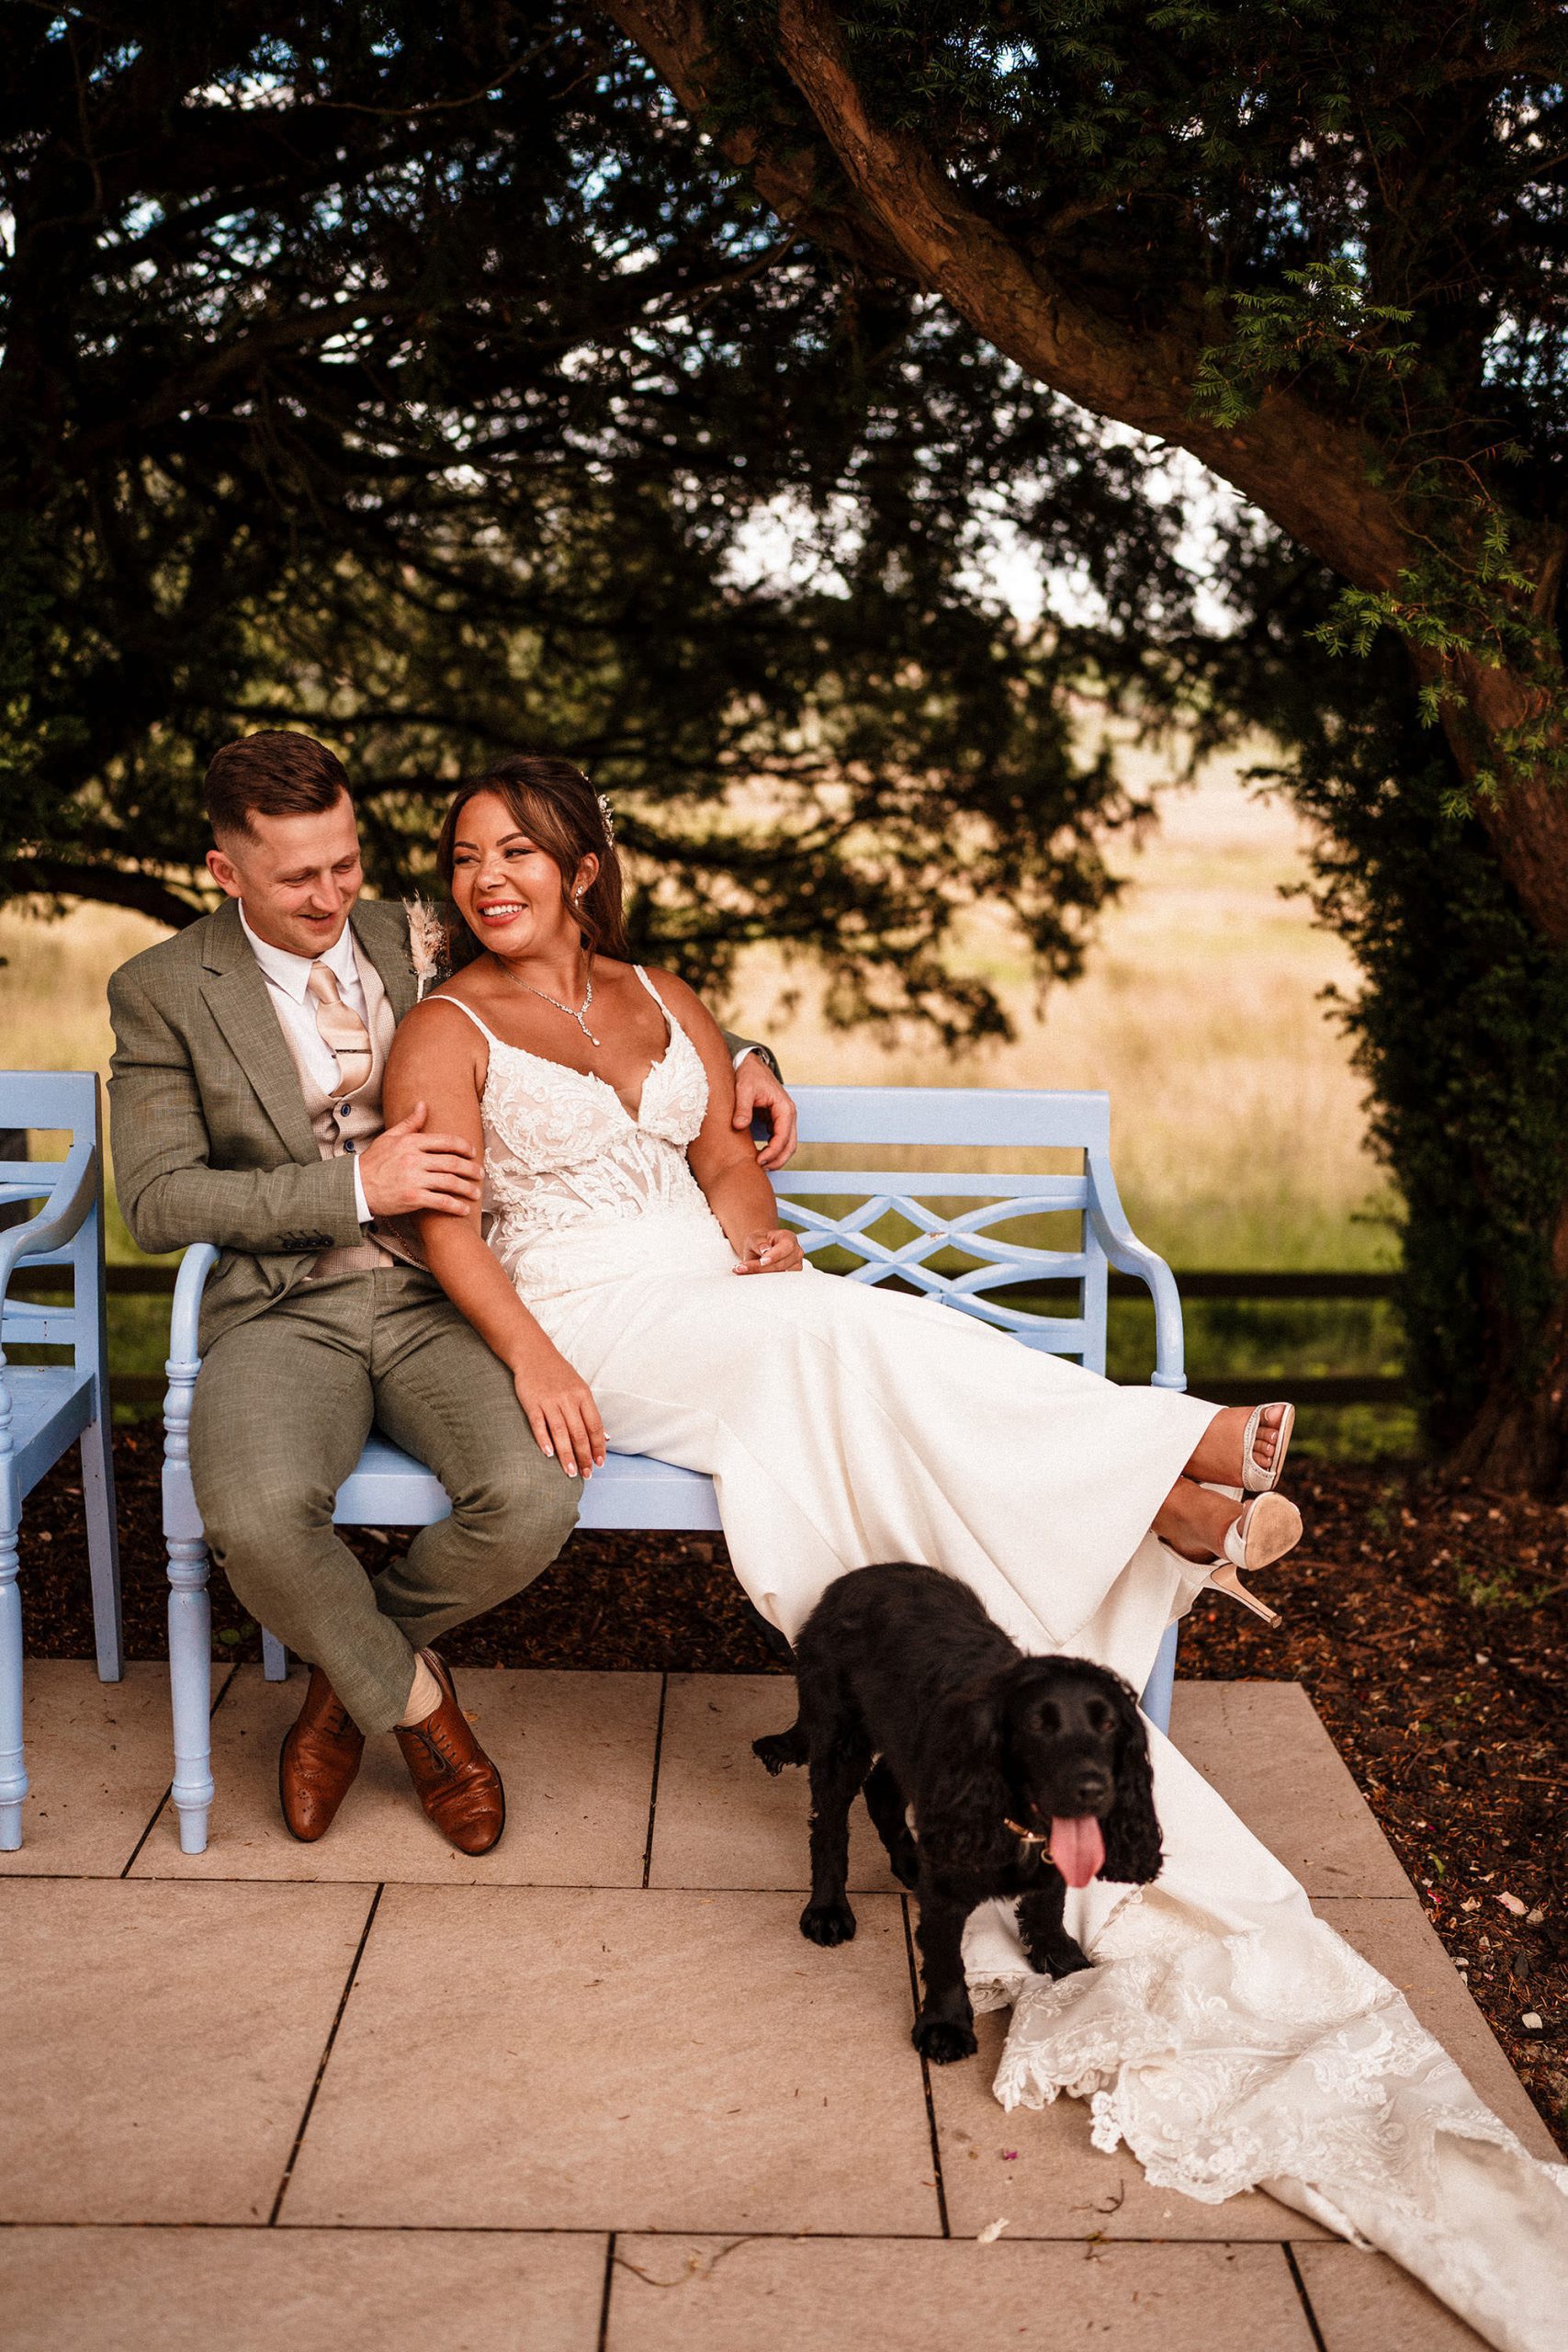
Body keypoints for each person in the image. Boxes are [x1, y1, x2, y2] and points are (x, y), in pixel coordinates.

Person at [389, 754, 1568, 2352]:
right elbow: (449, 1223)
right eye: (465, 856)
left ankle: (1171, 1481)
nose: (488, 878)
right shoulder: (442, 1026)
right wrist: (530, 1356)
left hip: (727, 1302)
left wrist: (746, 1215)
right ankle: (1176, 1468)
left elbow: (722, 1151)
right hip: (596, 1328)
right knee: (843, 1326)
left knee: (827, 1321)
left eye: (518, 851)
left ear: (587, 866)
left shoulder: (659, 988)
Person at [107, 729, 795, 1855]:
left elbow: (578, 995)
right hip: (287, 1310)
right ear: (226, 872)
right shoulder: (164, 989)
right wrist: (350, 1186)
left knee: (534, 1496)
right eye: (297, 877)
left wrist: (754, 1055)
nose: (333, 895)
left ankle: (343, 1685)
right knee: (254, 1514)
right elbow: (161, 1199)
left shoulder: (411, 932)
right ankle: (424, 1717)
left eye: (347, 861)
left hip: (445, 1296)